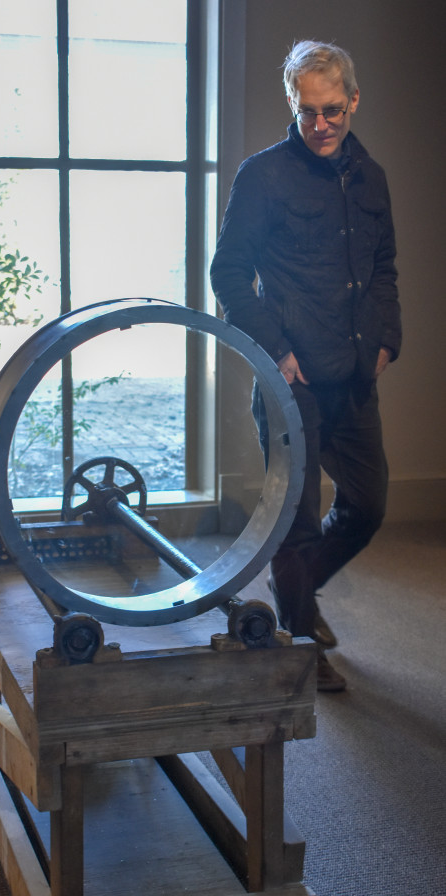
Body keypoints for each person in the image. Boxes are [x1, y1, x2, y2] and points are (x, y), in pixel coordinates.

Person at [210, 40, 402, 692]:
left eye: (331, 110)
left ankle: (295, 595)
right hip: (291, 378)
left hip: (353, 372)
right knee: (295, 518)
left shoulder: (369, 176)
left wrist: (386, 339)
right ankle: (297, 645)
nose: (320, 125)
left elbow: (382, 269)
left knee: (367, 506)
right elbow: (228, 273)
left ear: (352, 101)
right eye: (306, 112)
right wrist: (275, 348)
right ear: (291, 104)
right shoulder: (262, 175)